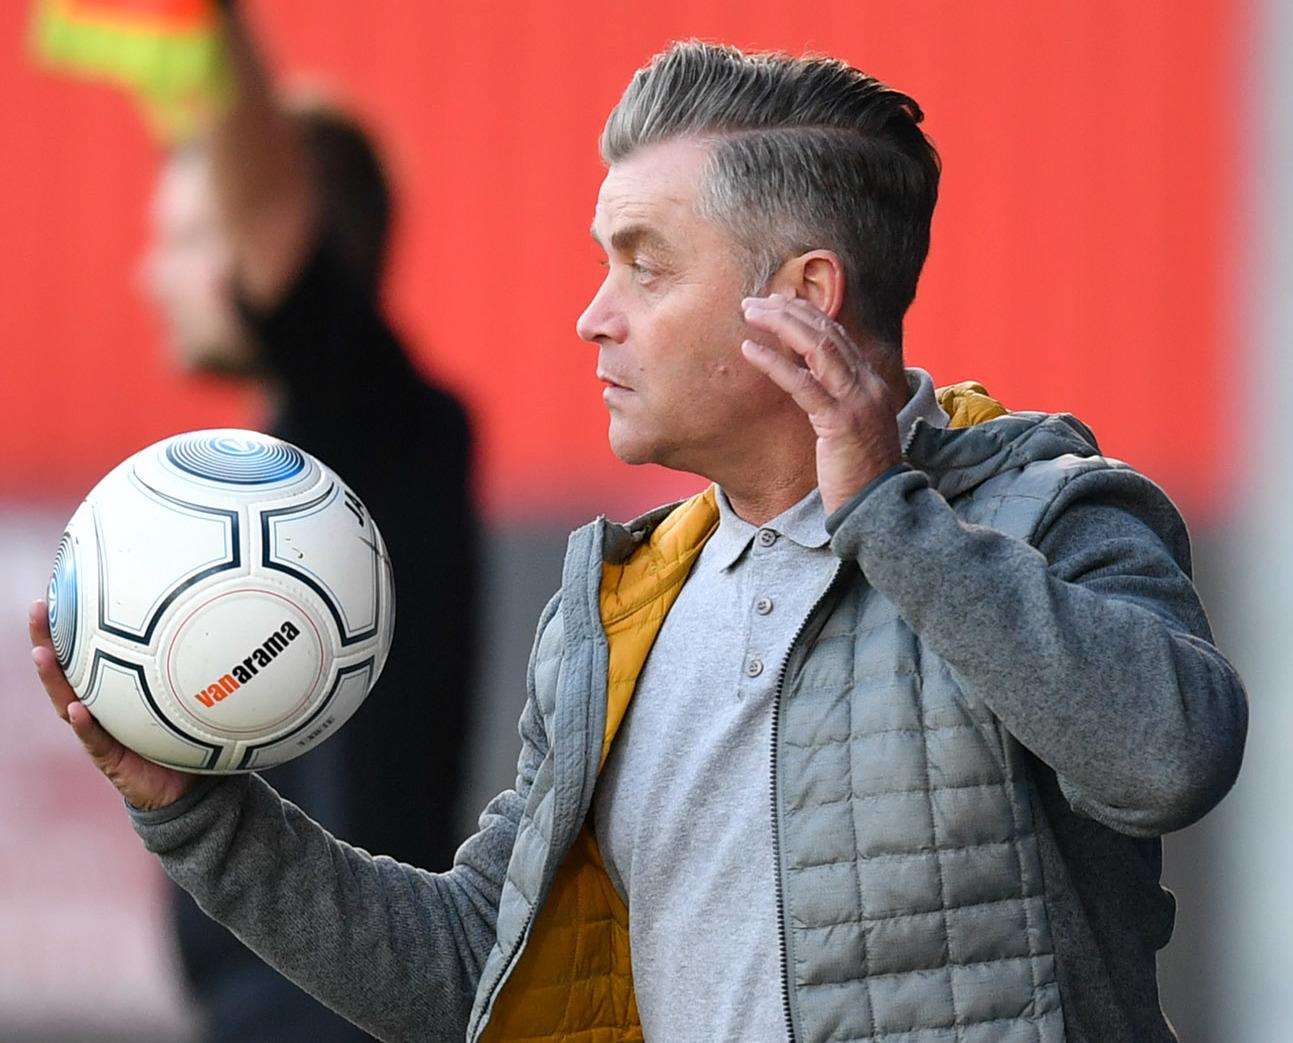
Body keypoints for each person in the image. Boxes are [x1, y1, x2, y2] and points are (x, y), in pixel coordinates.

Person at [31, 41, 1246, 1043]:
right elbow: (471, 966)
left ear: (806, 297)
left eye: (643, 266)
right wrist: (199, 813)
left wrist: (886, 514)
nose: (591, 313)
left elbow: (1169, 757)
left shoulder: (1049, 510)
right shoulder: (619, 608)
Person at [135, 4, 478, 1039]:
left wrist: (212, 22)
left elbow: (278, 217)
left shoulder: (374, 417)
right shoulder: (304, 449)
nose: (152, 273)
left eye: (193, 236)